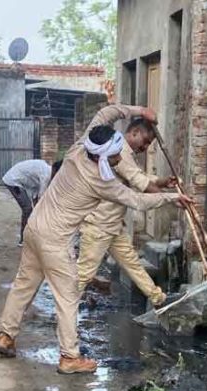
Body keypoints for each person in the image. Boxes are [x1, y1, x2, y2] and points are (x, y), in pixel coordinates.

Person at [0, 122, 193, 375]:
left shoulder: (77, 152)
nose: (120, 157)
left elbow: (104, 114)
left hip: (36, 227)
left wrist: (132, 111)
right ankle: (69, 356)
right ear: (105, 155)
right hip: (65, 236)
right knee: (68, 296)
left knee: (24, 285)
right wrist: (173, 198)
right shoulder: (100, 181)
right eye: (116, 154)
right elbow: (136, 199)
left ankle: (5, 335)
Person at [77, 105, 177, 307]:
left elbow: (137, 177)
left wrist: (162, 182)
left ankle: (158, 298)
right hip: (99, 226)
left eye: (149, 144)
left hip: (112, 224)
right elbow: (140, 185)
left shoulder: (124, 153)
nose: (145, 147)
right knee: (83, 275)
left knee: (132, 264)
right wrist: (173, 198)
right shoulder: (119, 150)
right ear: (134, 132)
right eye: (146, 141)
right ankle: (64, 313)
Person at [2, 159, 53, 246]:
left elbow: (36, 198)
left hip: (22, 181)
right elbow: (41, 199)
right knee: (27, 209)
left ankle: (33, 236)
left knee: (33, 209)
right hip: (13, 181)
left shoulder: (44, 171)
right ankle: (24, 240)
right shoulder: (46, 175)